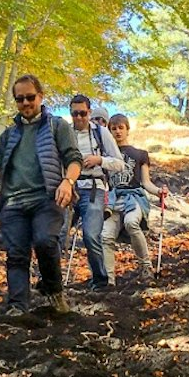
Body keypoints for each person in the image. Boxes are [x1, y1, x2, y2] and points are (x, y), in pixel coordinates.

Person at [0, 75, 82, 320]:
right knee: (16, 253)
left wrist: (68, 182)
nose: (25, 103)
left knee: (46, 241)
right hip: (13, 202)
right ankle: (18, 307)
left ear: (41, 96)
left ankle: (54, 291)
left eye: (30, 97)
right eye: (20, 99)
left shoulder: (57, 126)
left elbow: (74, 159)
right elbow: (0, 178)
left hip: (47, 198)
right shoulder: (8, 135)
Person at [63, 93, 124, 292]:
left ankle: (100, 279)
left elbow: (119, 164)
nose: (79, 118)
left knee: (90, 235)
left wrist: (100, 161)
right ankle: (50, 279)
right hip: (68, 188)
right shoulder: (64, 133)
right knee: (57, 234)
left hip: (94, 189)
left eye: (82, 113)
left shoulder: (101, 133)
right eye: (74, 114)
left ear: (89, 112)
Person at [102, 114, 168, 286]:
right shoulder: (105, 156)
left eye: (120, 128)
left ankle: (146, 268)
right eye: (113, 128)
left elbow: (146, 182)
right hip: (113, 201)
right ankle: (108, 280)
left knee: (132, 223)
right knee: (106, 235)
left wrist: (159, 192)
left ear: (127, 129)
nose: (117, 132)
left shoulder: (140, 154)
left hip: (134, 197)